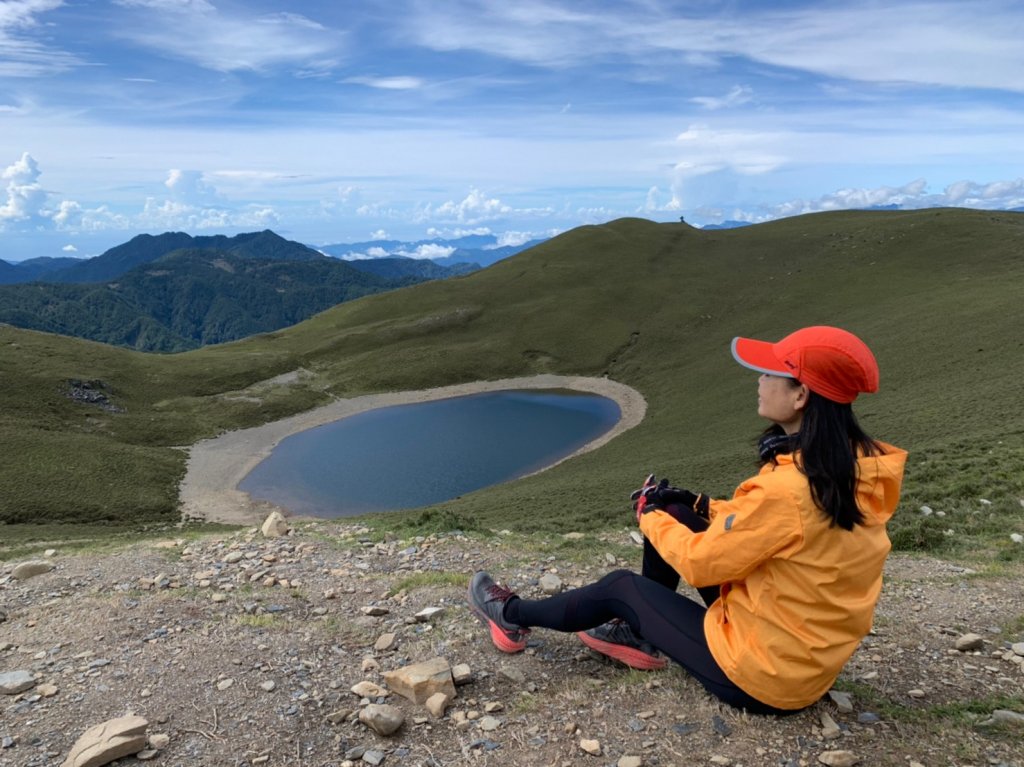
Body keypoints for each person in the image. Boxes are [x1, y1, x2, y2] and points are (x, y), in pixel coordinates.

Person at [468, 326, 907, 714]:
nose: (759, 380)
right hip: (800, 657)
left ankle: (510, 614)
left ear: (800, 395)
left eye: (771, 373)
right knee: (676, 513)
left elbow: (702, 564)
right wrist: (694, 506)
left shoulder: (791, 487)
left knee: (623, 585)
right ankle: (637, 632)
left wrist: (649, 515)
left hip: (763, 679)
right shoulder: (852, 466)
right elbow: (772, 527)